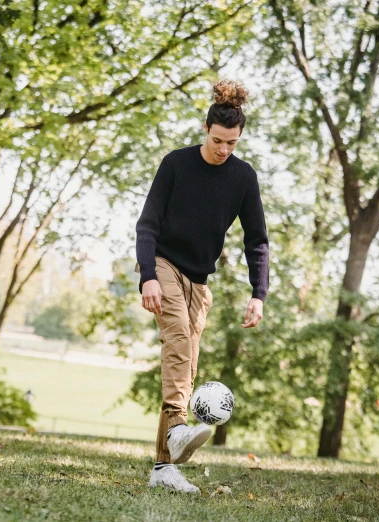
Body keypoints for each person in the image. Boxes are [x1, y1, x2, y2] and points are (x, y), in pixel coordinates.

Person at [135, 79, 269, 493]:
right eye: (217, 140)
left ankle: (162, 468)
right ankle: (177, 426)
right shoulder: (176, 163)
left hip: (199, 280)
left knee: (186, 363)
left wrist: (258, 293)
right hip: (164, 263)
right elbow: (147, 224)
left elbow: (257, 239)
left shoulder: (243, 178)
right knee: (176, 336)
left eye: (232, 142)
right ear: (205, 130)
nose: (224, 149)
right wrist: (148, 276)